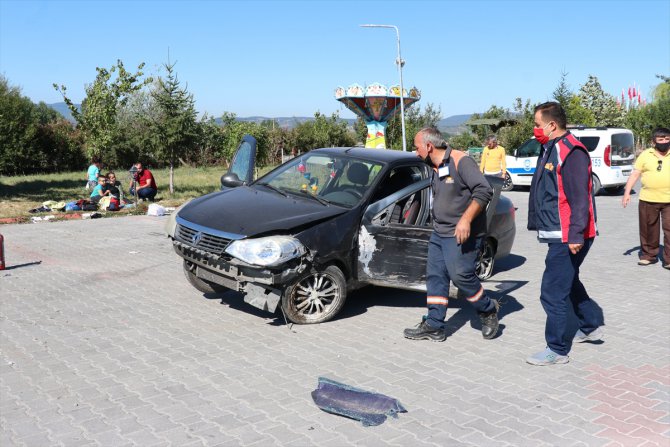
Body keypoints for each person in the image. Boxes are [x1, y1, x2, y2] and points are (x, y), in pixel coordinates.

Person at [403, 127, 500, 342]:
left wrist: (465, 220)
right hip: (440, 232)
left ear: (429, 146)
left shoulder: (461, 161)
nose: (415, 152)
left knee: (461, 277)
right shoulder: (435, 166)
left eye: (417, 147)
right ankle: (434, 325)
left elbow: (484, 191)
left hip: (463, 233)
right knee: (436, 277)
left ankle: (488, 309)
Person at [526, 101, 603, 366]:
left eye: (537, 124)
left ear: (552, 125)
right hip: (558, 231)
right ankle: (591, 323)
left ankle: (556, 349)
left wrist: (576, 235)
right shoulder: (551, 147)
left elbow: (580, 198)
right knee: (567, 281)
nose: (535, 129)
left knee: (552, 290)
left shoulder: (571, 151)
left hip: (568, 234)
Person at [622, 127, 670, 269]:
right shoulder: (645, 155)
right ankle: (649, 256)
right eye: (661, 139)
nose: (664, 142)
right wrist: (626, 193)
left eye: (667, 139)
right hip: (648, 199)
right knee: (648, 229)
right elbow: (635, 174)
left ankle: (668, 260)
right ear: (654, 141)